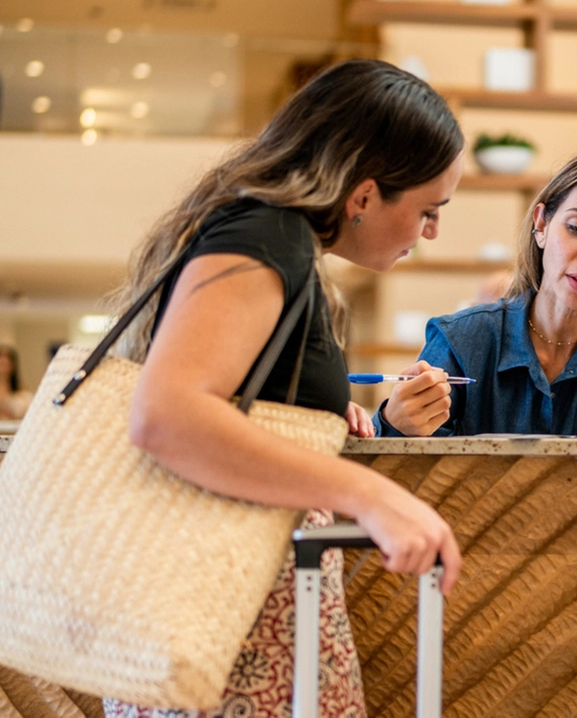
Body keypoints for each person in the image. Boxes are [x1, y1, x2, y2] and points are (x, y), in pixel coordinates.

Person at [101, 59, 465, 718]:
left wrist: (311, 414)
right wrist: (370, 494)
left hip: (238, 602)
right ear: (362, 196)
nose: (430, 233)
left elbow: (227, 396)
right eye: (428, 211)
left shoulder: (271, 235)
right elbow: (166, 415)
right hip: (226, 610)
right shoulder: (268, 235)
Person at [373, 148, 577, 439]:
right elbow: (404, 474)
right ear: (541, 226)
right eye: (576, 227)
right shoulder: (461, 343)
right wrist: (393, 423)